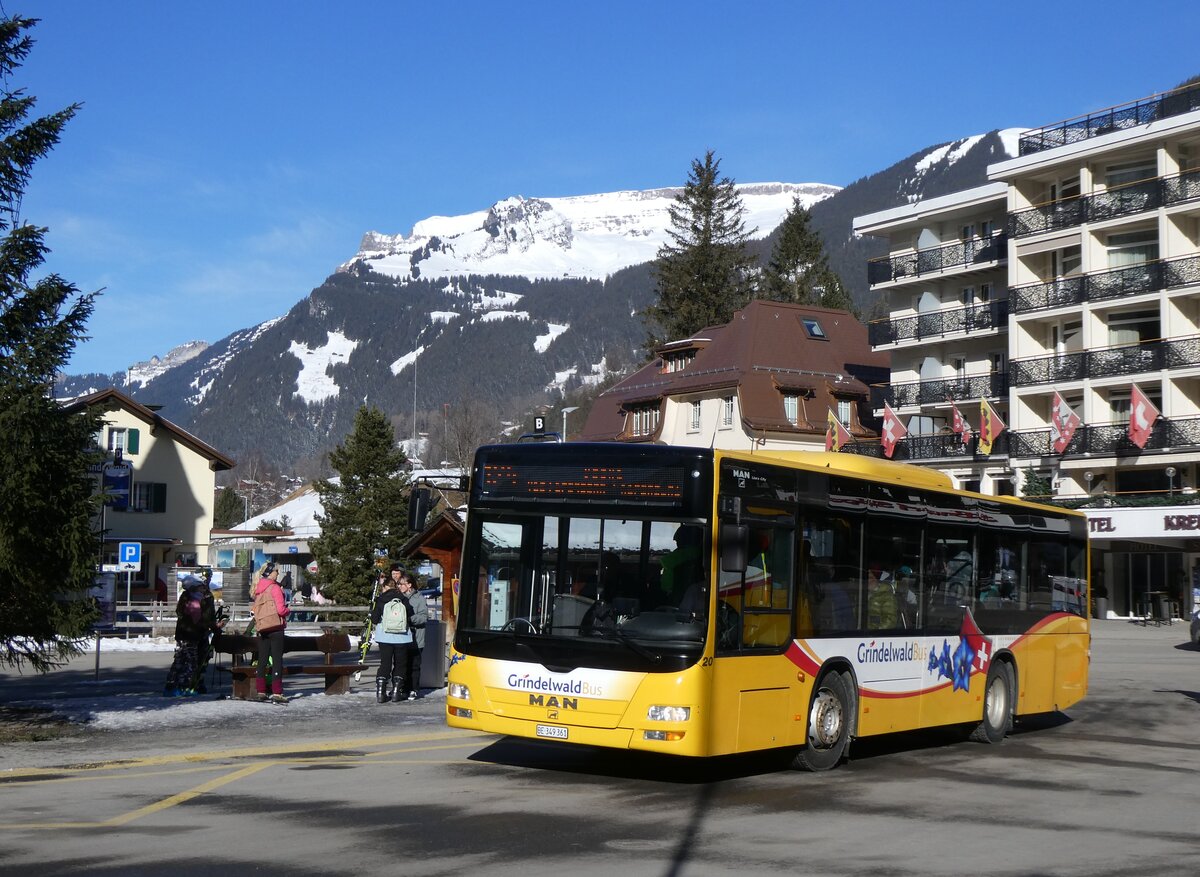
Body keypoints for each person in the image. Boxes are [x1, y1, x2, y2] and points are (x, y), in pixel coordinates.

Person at [163, 574, 225, 696]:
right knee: (190, 662)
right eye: (201, 586)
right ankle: (185, 687)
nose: (203, 588)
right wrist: (215, 626)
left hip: (182, 634)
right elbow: (201, 619)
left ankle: (171, 686)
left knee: (180, 661)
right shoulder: (196, 600)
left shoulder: (186, 597)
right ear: (195, 587)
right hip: (192, 635)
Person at [369, 565, 413, 703]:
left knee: (385, 663)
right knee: (400, 664)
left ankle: (380, 693)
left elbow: (375, 619)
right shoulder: (404, 599)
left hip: (385, 637)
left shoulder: (381, 600)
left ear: (386, 587)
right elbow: (410, 617)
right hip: (402, 637)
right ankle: (396, 692)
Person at [252, 561, 290, 703]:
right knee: (277, 660)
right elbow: (280, 610)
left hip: (263, 628)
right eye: (276, 571)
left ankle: (261, 691)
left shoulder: (258, 588)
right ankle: (277, 692)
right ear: (270, 572)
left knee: (262, 660)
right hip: (275, 628)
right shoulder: (275, 588)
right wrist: (288, 611)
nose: (277, 574)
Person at [398, 570, 428, 700]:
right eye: (398, 584)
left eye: (401, 584)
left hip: (416, 638)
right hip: (400, 638)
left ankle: (414, 689)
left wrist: (409, 619)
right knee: (402, 664)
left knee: (414, 665)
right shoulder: (397, 597)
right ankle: (402, 688)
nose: (399, 586)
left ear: (409, 585)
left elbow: (424, 617)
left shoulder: (419, 598)